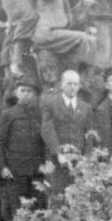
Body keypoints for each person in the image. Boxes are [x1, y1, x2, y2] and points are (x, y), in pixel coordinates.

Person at [0, 79, 47, 221]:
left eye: (29, 91)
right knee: (18, 212)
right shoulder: (8, 114)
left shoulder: (39, 114)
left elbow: (44, 141)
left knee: (38, 211)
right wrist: (2, 167)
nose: (26, 94)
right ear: (16, 93)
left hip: (36, 171)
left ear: (34, 94)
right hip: (16, 171)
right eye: (22, 90)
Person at [41, 69, 98, 201]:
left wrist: (87, 158)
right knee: (58, 196)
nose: (73, 87)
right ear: (61, 84)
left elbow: (89, 133)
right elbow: (47, 130)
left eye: (75, 84)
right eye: (69, 83)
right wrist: (58, 153)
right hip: (57, 160)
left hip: (80, 159)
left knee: (80, 197)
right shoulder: (50, 103)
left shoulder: (86, 107)